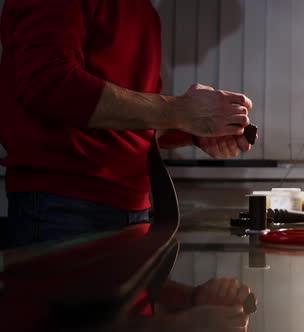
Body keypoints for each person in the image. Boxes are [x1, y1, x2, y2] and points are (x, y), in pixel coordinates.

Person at [0, 0, 255, 330]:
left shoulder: (145, 12)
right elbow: (50, 83)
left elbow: (134, 116)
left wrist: (194, 131)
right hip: (61, 208)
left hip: (131, 211)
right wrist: (181, 111)